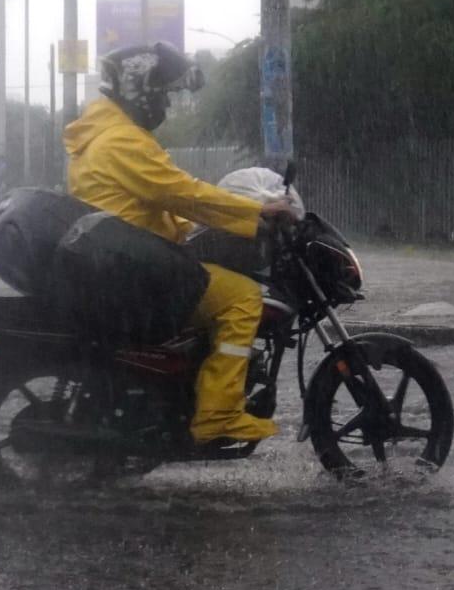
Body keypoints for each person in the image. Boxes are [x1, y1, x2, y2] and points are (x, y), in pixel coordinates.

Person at [63, 42, 297, 445]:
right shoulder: (120, 140)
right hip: (136, 272)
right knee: (241, 297)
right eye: (165, 94)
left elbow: (154, 204)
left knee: (216, 284)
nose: (167, 105)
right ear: (143, 90)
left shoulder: (104, 135)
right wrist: (253, 213)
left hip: (125, 260)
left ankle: (192, 391)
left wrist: (199, 226)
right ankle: (219, 413)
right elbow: (180, 192)